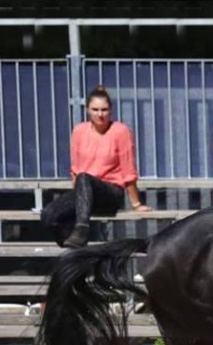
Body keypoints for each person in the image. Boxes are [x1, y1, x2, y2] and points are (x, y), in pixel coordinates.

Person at [41, 85, 151, 248]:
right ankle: (75, 249)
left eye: (104, 110)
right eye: (95, 109)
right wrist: (78, 200)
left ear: (111, 111)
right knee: (48, 215)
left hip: (110, 192)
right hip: (85, 192)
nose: (100, 114)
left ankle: (82, 231)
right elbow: (75, 169)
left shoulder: (120, 131)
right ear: (87, 110)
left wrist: (136, 204)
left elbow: (128, 170)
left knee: (85, 178)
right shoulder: (79, 131)